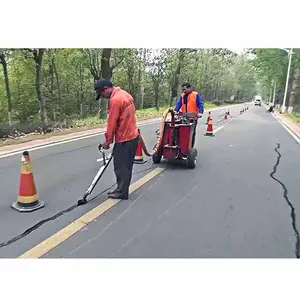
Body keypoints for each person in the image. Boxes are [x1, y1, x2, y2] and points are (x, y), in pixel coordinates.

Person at [94, 79, 139, 200]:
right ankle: (121, 189)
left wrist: (107, 141)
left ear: (105, 89)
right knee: (126, 166)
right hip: (132, 136)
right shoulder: (125, 94)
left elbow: (112, 123)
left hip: (125, 138)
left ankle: (121, 192)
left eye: (101, 94)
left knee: (120, 166)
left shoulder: (115, 100)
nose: (103, 97)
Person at [174, 83, 204, 147]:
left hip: (192, 118)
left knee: (191, 133)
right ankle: (181, 146)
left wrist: (200, 113)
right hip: (184, 117)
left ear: (189, 88)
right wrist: (175, 110)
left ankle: (190, 148)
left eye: (184, 89)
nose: (183, 91)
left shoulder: (195, 95)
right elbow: (179, 103)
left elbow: (200, 104)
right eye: (182, 90)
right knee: (181, 132)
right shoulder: (182, 95)